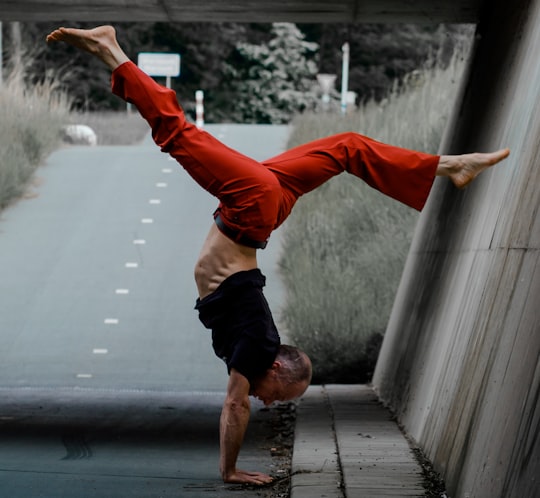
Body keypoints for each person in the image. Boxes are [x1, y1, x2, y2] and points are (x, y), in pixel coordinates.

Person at [46, 25, 510, 485]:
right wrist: (229, 471)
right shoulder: (256, 349)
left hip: (266, 208)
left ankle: (450, 166)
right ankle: (110, 47)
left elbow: (243, 395)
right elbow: (235, 403)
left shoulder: (256, 346)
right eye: (278, 396)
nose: (270, 403)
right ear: (274, 368)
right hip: (251, 206)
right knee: (176, 132)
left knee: (348, 146)